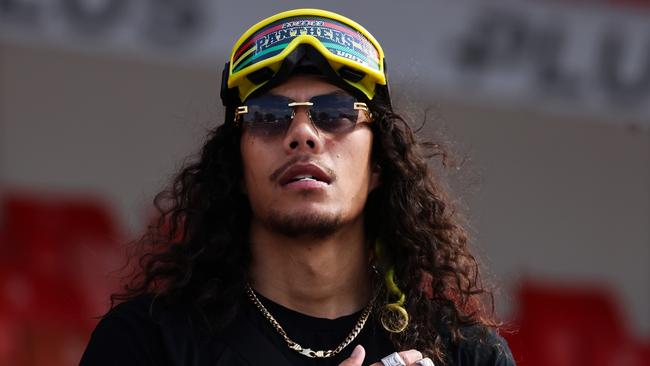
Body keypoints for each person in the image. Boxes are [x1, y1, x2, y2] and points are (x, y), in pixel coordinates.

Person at [80, 8, 515, 366]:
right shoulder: (147, 342)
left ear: (379, 162)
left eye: (336, 112)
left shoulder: (466, 355)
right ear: (237, 168)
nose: (302, 133)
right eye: (268, 115)